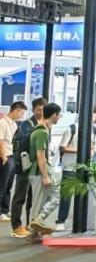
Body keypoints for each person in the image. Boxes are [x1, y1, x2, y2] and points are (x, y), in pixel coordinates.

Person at [55, 109, 96, 231]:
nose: (93, 119)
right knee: (66, 194)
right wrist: (80, 150)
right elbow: (62, 147)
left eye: (94, 116)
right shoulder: (71, 128)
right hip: (69, 167)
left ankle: (80, 219)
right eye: (91, 116)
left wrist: (90, 152)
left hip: (85, 166)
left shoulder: (94, 129)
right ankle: (61, 220)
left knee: (82, 194)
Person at [10, 97, 44, 238]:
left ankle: (31, 225)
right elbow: (26, 144)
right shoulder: (27, 124)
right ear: (34, 110)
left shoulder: (45, 124)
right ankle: (16, 226)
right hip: (25, 167)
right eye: (38, 110)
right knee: (20, 196)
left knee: (33, 198)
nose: (41, 112)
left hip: (37, 167)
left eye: (43, 109)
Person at [27, 103, 62, 236]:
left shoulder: (41, 129)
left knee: (43, 200)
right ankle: (36, 225)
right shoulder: (42, 132)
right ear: (54, 115)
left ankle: (36, 227)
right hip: (38, 172)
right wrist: (45, 176)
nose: (59, 117)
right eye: (59, 115)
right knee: (45, 200)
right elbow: (40, 156)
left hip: (38, 171)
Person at [0, 101, 26, 221]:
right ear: (15, 110)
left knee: (9, 185)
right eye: (21, 113)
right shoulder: (2, 123)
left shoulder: (14, 124)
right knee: (2, 185)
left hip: (12, 156)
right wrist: (4, 157)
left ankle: (5, 210)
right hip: (4, 157)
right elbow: (0, 141)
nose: (22, 115)